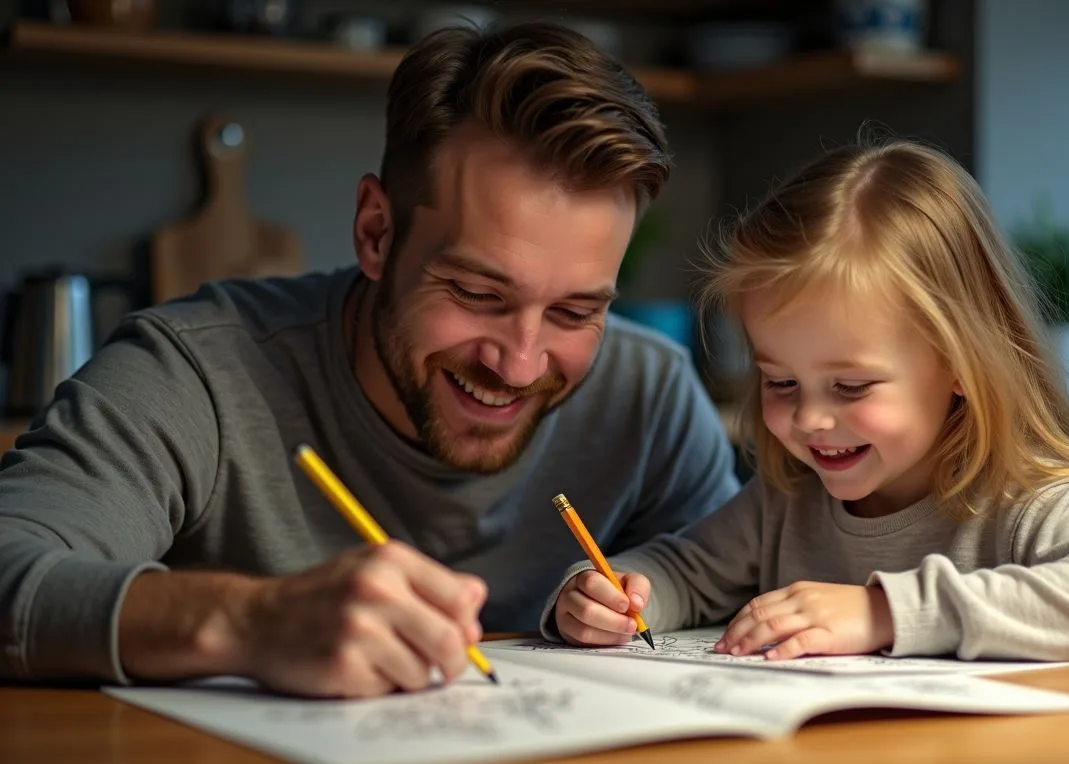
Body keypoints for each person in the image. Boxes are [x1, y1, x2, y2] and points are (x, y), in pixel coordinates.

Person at [0, 22, 740, 697]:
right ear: (376, 232)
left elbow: (750, 585)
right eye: (478, 293)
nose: (518, 365)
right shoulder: (196, 372)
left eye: (576, 312)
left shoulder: (650, 393)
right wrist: (248, 621)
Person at [544, 137, 1069, 662]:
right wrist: (607, 596)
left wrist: (884, 612)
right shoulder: (788, 502)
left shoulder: (1025, 500)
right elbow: (679, 570)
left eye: (851, 386)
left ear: (960, 363)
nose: (812, 418)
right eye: (780, 382)